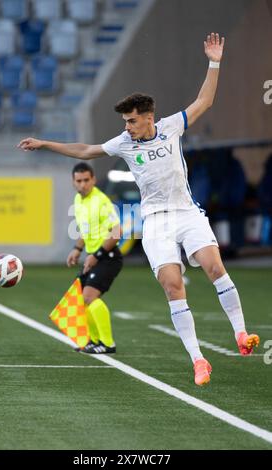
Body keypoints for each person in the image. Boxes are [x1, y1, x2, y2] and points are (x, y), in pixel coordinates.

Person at [18, 33, 259, 385]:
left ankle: (241, 334)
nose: (126, 127)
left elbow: (205, 100)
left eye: (131, 121)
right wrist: (45, 144)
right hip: (156, 223)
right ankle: (198, 360)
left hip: (187, 213)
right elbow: (86, 150)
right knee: (173, 286)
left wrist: (215, 61)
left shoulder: (172, 127)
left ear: (148, 118)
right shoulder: (124, 143)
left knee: (214, 265)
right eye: (125, 122)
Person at [67, 162, 123, 354]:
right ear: (73, 182)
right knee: (78, 299)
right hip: (93, 257)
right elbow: (86, 229)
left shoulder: (101, 201)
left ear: (93, 180)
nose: (82, 184)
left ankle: (108, 344)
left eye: (86, 180)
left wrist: (96, 255)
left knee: (89, 296)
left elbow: (117, 232)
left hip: (108, 257)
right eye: (78, 181)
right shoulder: (78, 200)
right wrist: (77, 249)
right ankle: (93, 340)